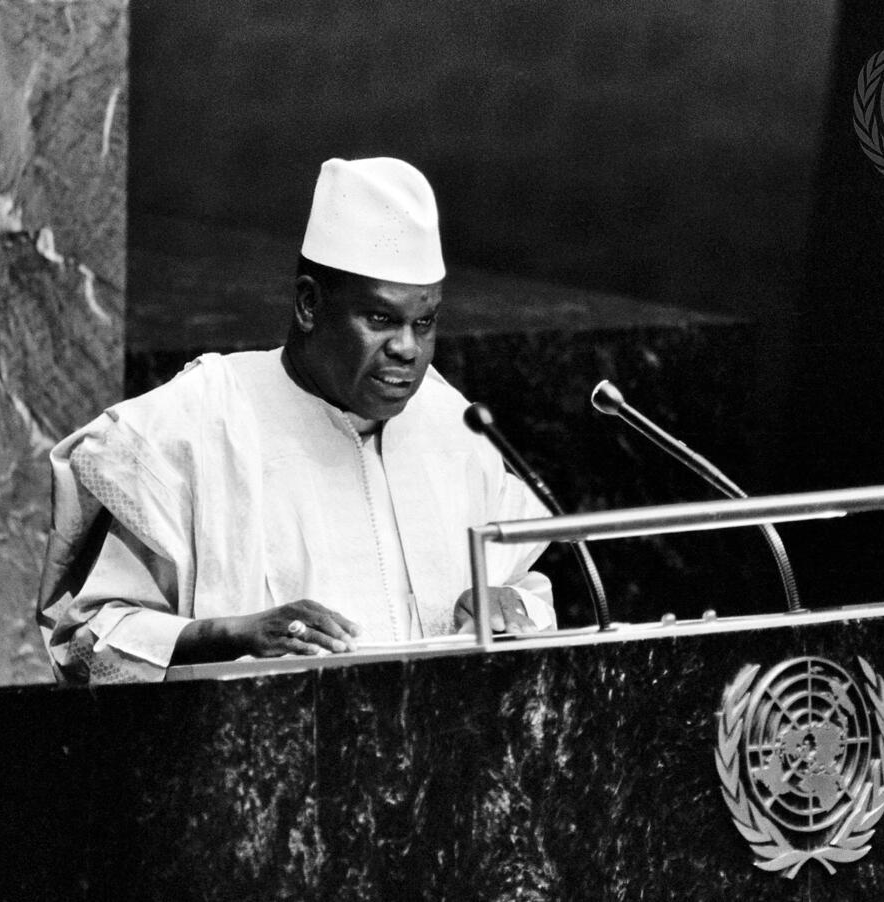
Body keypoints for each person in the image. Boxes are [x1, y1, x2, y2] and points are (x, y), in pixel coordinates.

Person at [36, 157, 555, 685]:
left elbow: (525, 591)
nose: (407, 348)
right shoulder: (195, 424)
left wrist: (507, 606)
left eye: (424, 323)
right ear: (309, 304)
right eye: (380, 318)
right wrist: (233, 634)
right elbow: (87, 644)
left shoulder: (452, 427)